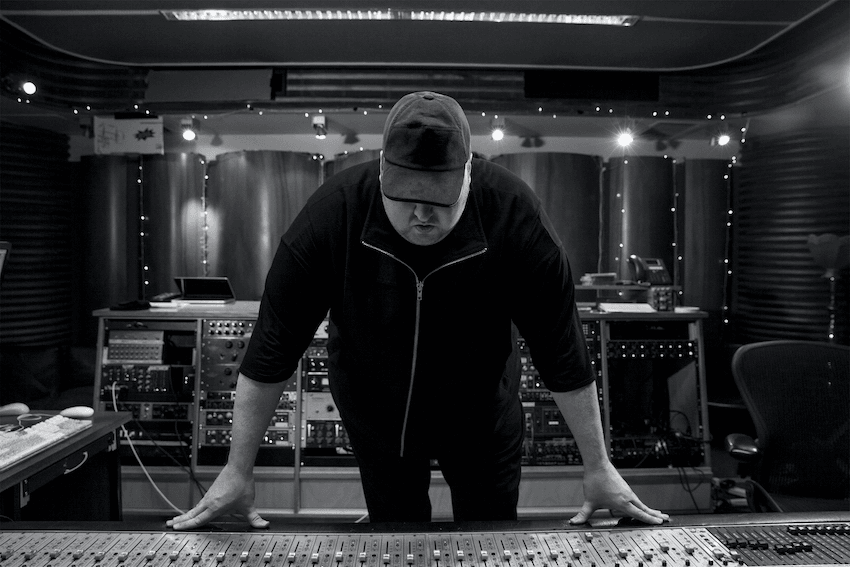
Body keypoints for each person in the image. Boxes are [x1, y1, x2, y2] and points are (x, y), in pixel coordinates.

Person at [168, 91, 668, 529]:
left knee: (489, 541)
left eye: (440, 200)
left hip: (483, 418)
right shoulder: (333, 212)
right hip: (376, 418)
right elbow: (272, 348)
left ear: (468, 173)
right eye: (406, 198)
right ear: (383, 168)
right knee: (397, 535)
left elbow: (563, 351)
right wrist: (237, 469)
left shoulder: (515, 213)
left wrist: (598, 466)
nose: (422, 215)